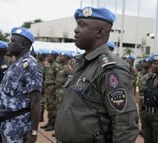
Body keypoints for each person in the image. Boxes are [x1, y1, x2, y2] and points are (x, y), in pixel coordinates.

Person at [55, 7, 139, 143]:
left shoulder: (111, 70)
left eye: (82, 25)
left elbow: (126, 125)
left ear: (100, 32)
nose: (76, 30)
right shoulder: (81, 63)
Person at [0, 27, 42, 143]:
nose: (8, 44)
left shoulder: (30, 65)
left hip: (18, 124)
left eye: (12, 41)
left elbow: (35, 101)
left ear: (22, 44)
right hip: (7, 121)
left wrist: (33, 132)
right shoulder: (17, 63)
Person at [40, 50, 58, 131]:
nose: (48, 57)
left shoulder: (56, 66)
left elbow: (57, 79)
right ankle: (50, 122)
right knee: (48, 107)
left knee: (53, 107)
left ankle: (53, 124)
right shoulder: (49, 65)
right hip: (47, 89)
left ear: (54, 56)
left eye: (50, 55)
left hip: (53, 90)